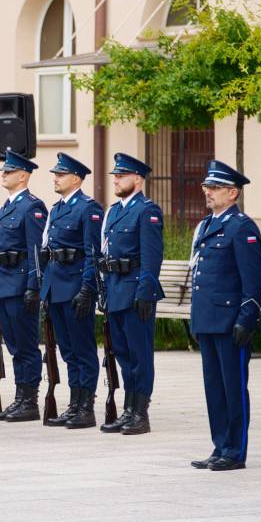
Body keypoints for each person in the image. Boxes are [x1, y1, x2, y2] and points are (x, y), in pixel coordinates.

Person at [189, 160, 261, 471]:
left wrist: (247, 317)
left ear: (233, 193)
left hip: (230, 322)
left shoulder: (242, 227)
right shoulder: (207, 225)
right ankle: (220, 445)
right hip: (208, 319)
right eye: (207, 186)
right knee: (214, 388)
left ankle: (235, 450)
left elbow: (252, 280)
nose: (208, 191)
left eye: (215, 187)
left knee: (233, 388)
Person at [98, 153, 164, 435]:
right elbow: (106, 254)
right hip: (116, 289)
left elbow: (152, 256)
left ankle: (140, 413)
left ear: (137, 179)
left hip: (135, 291)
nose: (115, 180)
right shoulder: (114, 211)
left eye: (121, 175)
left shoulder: (146, 211)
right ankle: (128, 409)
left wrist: (146, 292)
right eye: (114, 175)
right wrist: (103, 289)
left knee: (140, 355)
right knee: (123, 354)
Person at [39, 153, 104, 428]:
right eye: (55, 174)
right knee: (67, 351)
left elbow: (92, 253)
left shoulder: (88, 209)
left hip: (75, 287)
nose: (55, 178)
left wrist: (88, 288)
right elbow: (48, 252)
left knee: (82, 349)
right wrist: (45, 290)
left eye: (60, 174)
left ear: (76, 179)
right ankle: (74, 404)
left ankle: (86, 407)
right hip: (56, 288)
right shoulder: (56, 209)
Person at [0, 150, 47, 422]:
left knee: (25, 345)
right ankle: (20, 397)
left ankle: (29, 400)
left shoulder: (32, 207)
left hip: (21, 284)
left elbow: (36, 250)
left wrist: (33, 286)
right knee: (13, 345)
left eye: (9, 171)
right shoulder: (5, 207)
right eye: (3, 170)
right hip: (4, 283)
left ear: (22, 176)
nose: (3, 174)